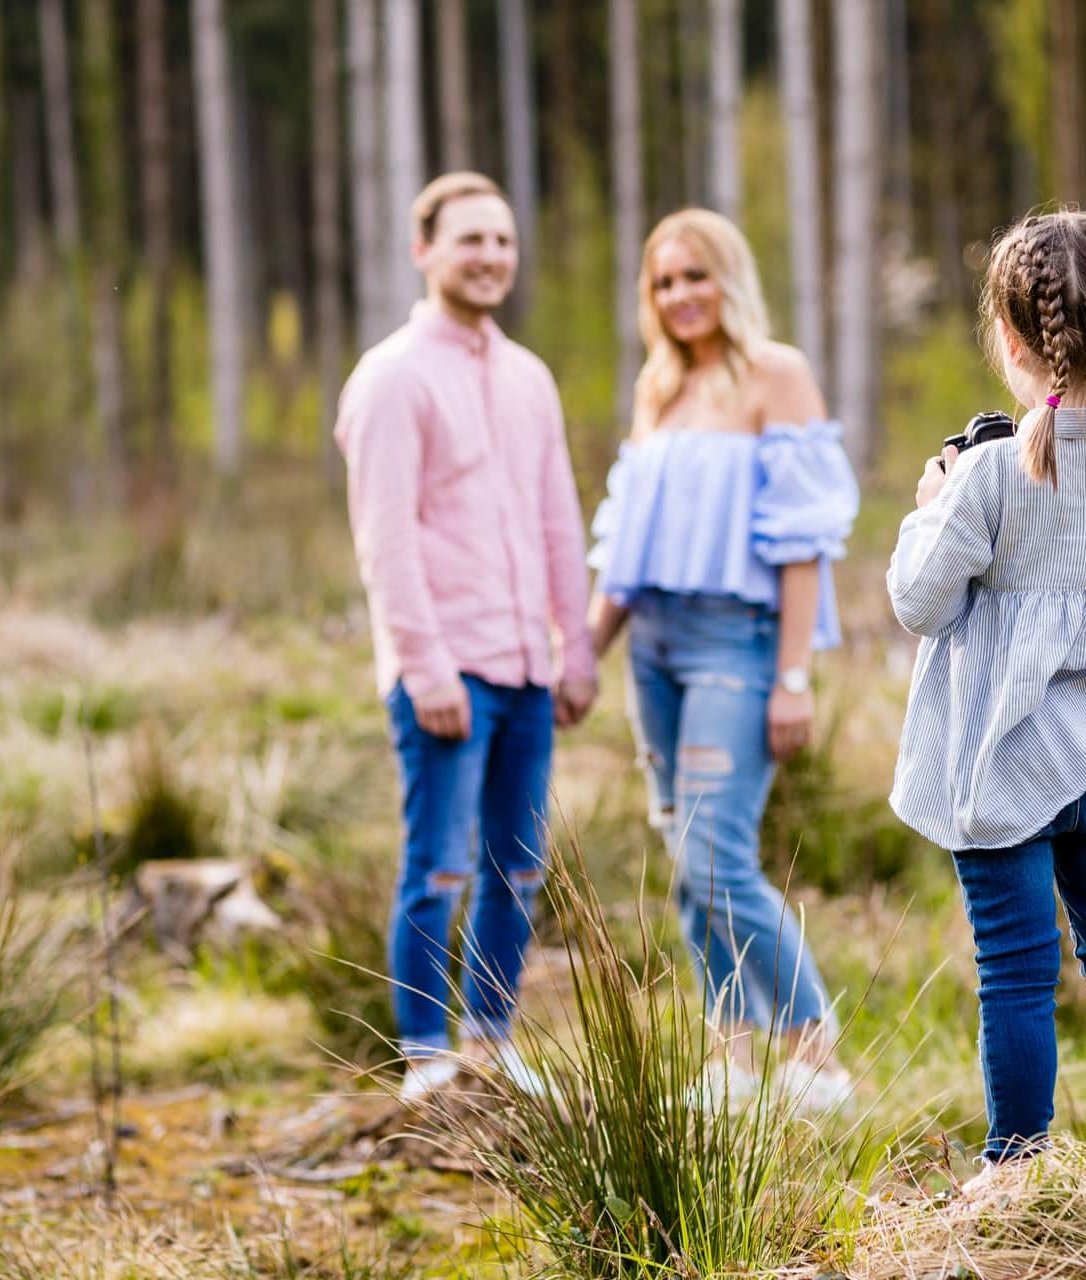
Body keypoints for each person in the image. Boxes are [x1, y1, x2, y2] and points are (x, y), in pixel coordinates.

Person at [886, 209, 1086, 1209]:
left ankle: (1017, 1165)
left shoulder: (985, 476)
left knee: (1017, 972)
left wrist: (930, 500)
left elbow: (919, 601)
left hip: (1000, 767)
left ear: (1014, 341)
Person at [586, 209, 859, 1112]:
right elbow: (626, 548)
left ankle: (813, 1051)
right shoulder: (658, 388)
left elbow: (802, 543)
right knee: (682, 851)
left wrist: (793, 677)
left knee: (715, 857)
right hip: (654, 648)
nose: (680, 297)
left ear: (728, 279)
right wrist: (585, 652)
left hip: (735, 646)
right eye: (663, 282)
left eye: (695, 276)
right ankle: (730, 1058)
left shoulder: (775, 376)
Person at [335, 172, 598, 1105]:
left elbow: (558, 519)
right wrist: (423, 665)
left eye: (502, 241)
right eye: (469, 240)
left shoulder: (529, 377)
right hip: (446, 672)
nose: (489, 256)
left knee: (515, 868)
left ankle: (489, 1044)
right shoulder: (392, 377)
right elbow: (387, 538)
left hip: (529, 665)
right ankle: (423, 1055)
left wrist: (576, 649)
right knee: (438, 865)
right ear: (425, 250)